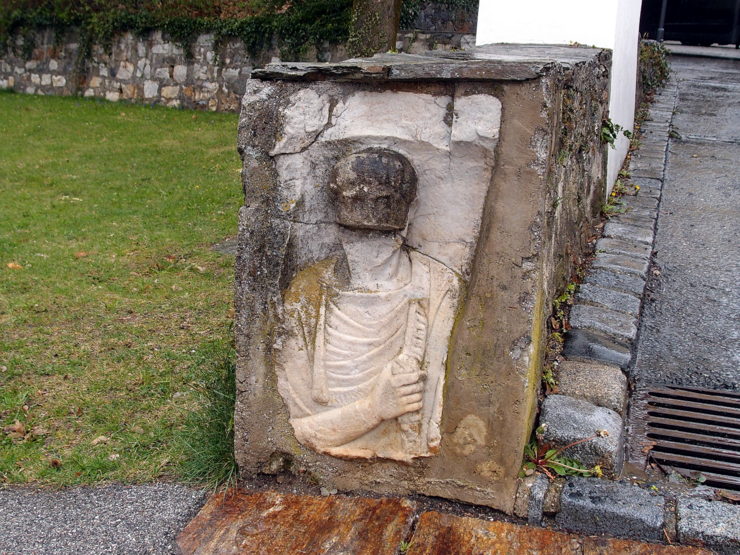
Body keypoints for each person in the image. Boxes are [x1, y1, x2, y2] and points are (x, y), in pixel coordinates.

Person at [276, 148, 461, 462]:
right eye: (358, 234)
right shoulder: (307, 292)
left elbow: (429, 425)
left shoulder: (439, 286)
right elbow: (304, 431)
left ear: (411, 211)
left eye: (380, 238)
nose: (368, 249)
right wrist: (373, 408)